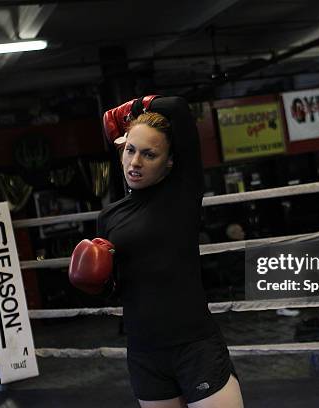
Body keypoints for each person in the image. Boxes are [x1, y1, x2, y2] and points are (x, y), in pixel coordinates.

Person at [73, 96, 243, 407]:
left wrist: (132, 108)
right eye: (130, 150)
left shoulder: (181, 193)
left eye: (149, 154)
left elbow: (178, 107)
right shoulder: (109, 218)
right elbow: (118, 290)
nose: (135, 162)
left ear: (169, 162)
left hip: (194, 346)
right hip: (144, 353)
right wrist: (97, 285)